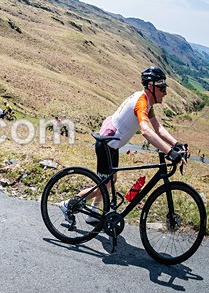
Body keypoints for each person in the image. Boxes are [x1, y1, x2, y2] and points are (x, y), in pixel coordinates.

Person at [59, 66, 188, 215]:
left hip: (112, 145)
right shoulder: (142, 103)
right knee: (104, 186)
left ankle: (94, 213)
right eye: (162, 88)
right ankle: (69, 204)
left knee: (110, 181)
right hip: (106, 145)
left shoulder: (146, 101)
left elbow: (158, 129)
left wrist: (176, 144)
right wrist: (169, 152)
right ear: (151, 86)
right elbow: (146, 131)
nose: (165, 93)